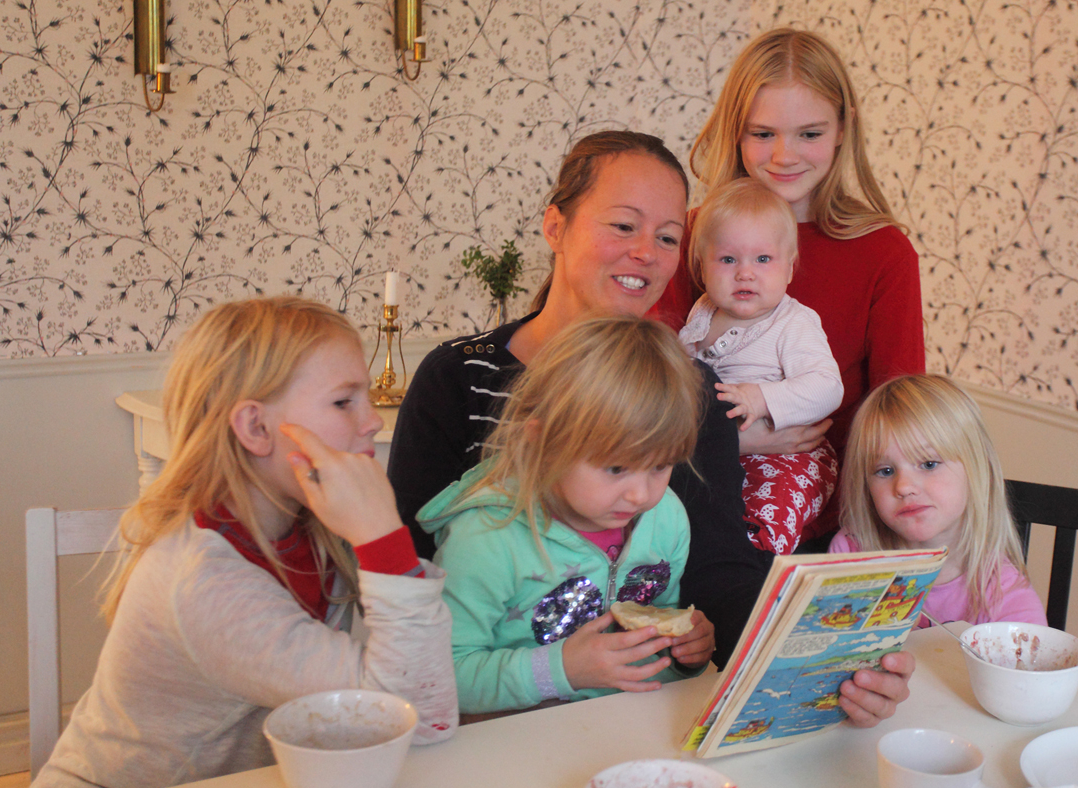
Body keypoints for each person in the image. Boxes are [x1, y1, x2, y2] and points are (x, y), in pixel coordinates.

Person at [389, 129, 913, 727]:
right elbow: (407, 584)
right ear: (555, 226)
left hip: (633, 724)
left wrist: (830, 671)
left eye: (667, 237)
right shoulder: (458, 376)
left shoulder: (697, 393)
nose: (646, 252)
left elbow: (719, 575)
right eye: (623, 226)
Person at [30, 298, 457, 788]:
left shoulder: (316, 524)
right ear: (255, 428)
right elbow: (422, 717)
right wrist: (383, 541)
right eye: (344, 402)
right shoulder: (205, 582)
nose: (372, 422)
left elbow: (418, 678)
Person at [650, 27, 925, 543]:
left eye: (809, 134)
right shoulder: (693, 235)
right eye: (763, 133)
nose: (784, 155)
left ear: (843, 129)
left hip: (832, 528)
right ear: (735, 132)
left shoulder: (884, 253)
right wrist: (740, 441)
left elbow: (901, 415)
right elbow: (643, 389)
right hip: (687, 510)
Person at [417, 317, 716, 715]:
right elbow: (437, 678)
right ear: (542, 441)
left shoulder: (667, 519)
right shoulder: (485, 538)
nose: (641, 494)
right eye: (616, 468)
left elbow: (655, 641)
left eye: (661, 466)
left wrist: (683, 654)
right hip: (514, 736)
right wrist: (561, 670)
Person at [679, 177, 843, 555]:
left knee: (768, 509)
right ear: (702, 267)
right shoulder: (701, 313)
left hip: (791, 456)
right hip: (724, 453)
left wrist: (761, 398)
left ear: (790, 268)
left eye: (763, 259)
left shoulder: (792, 322)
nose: (745, 273)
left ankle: (758, 563)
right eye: (728, 259)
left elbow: (827, 387)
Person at [830, 374, 1046, 626]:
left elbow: (1032, 650)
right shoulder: (852, 555)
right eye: (885, 471)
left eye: (929, 464)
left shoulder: (1004, 593)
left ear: (979, 470)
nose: (904, 487)